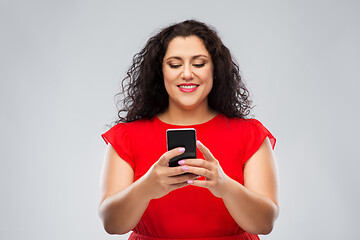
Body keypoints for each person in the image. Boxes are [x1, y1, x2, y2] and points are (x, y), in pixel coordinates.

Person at [99, 20, 279, 240]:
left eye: (199, 64)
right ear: (160, 71)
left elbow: (265, 223)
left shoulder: (250, 134)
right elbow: (111, 224)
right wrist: (146, 187)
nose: (186, 74)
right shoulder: (126, 137)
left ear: (215, 69)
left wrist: (224, 186)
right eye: (175, 65)